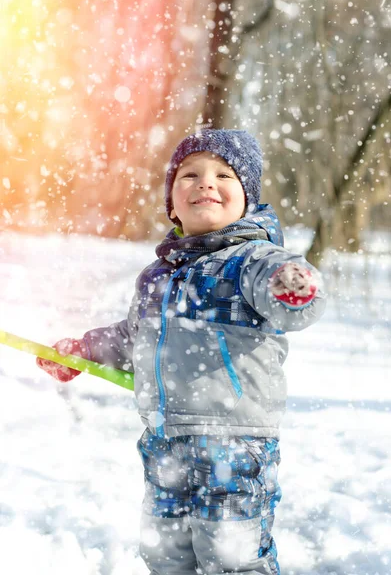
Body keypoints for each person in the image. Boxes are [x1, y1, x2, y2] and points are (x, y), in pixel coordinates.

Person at [37, 129, 326, 575]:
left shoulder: (251, 260)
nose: (205, 183)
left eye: (224, 175)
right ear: (172, 202)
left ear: (247, 199)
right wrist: (83, 351)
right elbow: (133, 338)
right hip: (163, 442)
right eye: (189, 175)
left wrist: (293, 285)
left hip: (233, 443)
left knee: (233, 557)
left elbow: (285, 291)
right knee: (165, 554)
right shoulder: (158, 276)